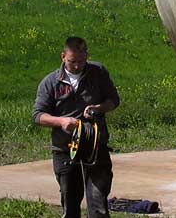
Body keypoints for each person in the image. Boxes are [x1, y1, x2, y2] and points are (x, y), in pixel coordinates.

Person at [32, 36, 120, 218]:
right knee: (70, 205)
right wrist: (62, 122)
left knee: (98, 206)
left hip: (96, 149)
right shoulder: (51, 82)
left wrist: (99, 108)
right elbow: (38, 116)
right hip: (65, 150)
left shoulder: (98, 72)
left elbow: (114, 100)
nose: (78, 66)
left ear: (87, 55)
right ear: (63, 56)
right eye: (73, 62)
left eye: (82, 61)